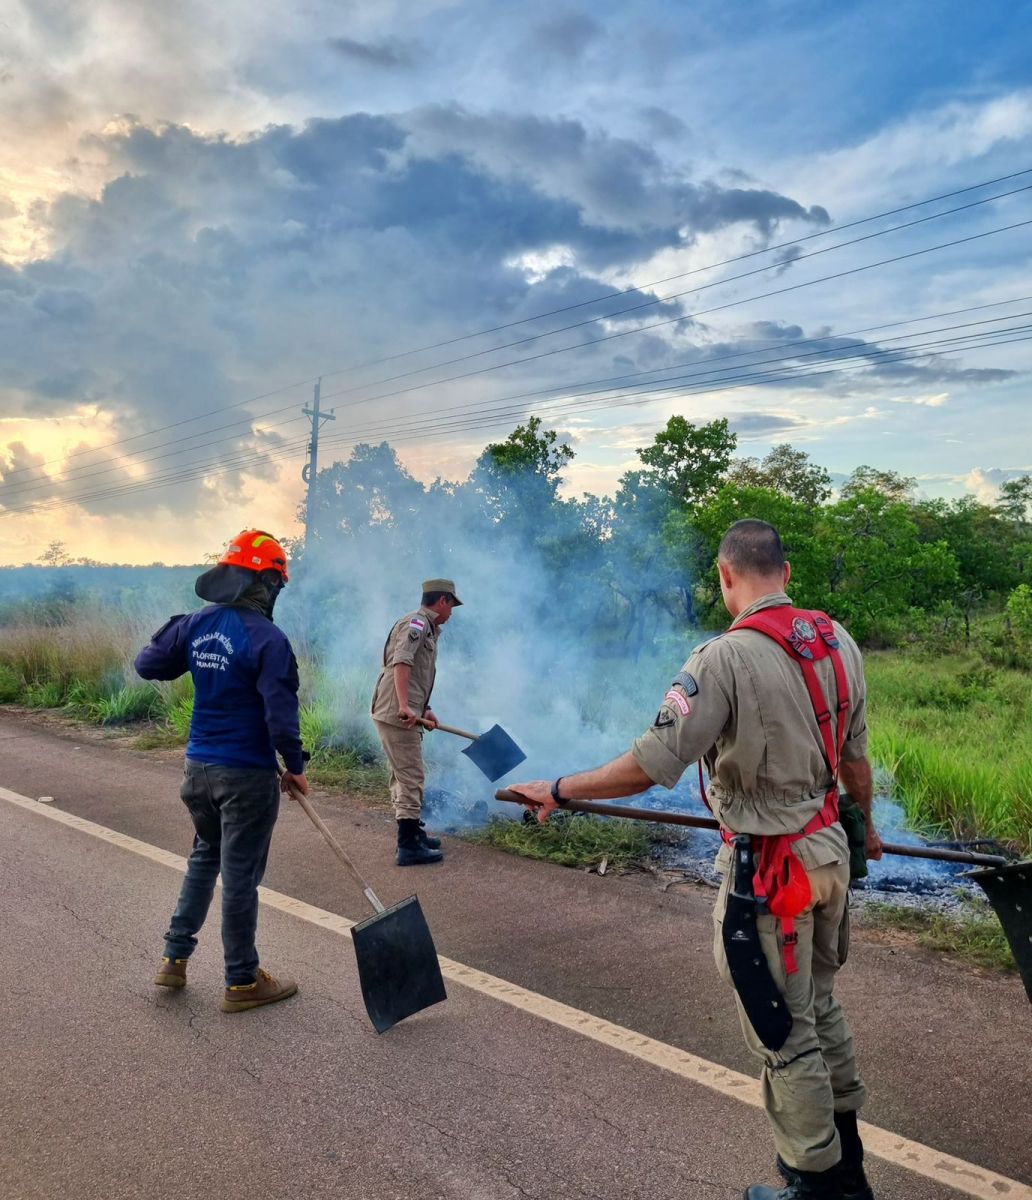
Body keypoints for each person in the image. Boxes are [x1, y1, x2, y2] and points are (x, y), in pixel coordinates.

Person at [510, 520, 883, 1200]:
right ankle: (849, 1167)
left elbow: (651, 765)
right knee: (821, 1009)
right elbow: (856, 763)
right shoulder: (838, 642)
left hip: (775, 876)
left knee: (784, 1030)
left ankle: (816, 1183)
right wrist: (869, 830)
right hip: (830, 859)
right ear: (787, 574)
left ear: (724, 576)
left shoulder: (721, 658)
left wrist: (559, 789)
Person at [135, 529, 307, 1013]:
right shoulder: (268, 638)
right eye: (277, 585)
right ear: (268, 583)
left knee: (204, 858)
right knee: (240, 878)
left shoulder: (198, 624)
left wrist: (186, 635)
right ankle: (241, 981)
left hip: (198, 771)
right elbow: (280, 715)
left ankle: (174, 957)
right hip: (246, 775)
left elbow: (148, 664)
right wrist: (295, 767)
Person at [371, 579, 462, 866]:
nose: (452, 613)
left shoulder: (427, 627)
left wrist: (426, 707)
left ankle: (412, 832)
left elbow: (417, 676)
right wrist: (403, 706)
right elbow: (402, 663)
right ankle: (407, 845)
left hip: (397, 710)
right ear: (443, 600)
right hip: (396, 714)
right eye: (452, 605)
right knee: (412, 775)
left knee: (401, 774)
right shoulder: (418, 624)